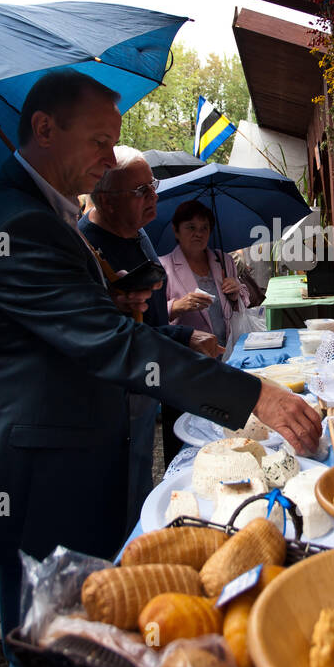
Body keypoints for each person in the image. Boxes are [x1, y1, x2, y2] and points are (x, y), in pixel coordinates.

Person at [0, 71, 320, 667]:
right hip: (36, 474)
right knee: (44, 638)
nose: (110, 160)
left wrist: (106, 301)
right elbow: (109, 347)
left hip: (67, 454)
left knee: (92, 621)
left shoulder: (36, 212)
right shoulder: (15, 220)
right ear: (45, 129)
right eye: (100, 141)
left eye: (115, 143)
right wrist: (252, 392)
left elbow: (54, 329)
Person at [80, 147, 219, 522]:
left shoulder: (138, 232)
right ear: (106, 201)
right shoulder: (85, 248)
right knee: (117, 494)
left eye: (152, 186)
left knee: (142, 474)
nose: (153, 197)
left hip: (148, 378)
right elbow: (105, 334)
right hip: (113, 393)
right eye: (140, 191)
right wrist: (183, 338)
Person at [160, 200, 249, 349]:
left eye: (204, 228)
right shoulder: (163, 267)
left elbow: (245, 298)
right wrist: (177, 307)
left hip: (228, 348)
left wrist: (236, 291)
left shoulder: (223, 260)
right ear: (176, 231)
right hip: (189, 354)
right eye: (191, 227)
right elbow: (152, 317)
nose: (198, 234)